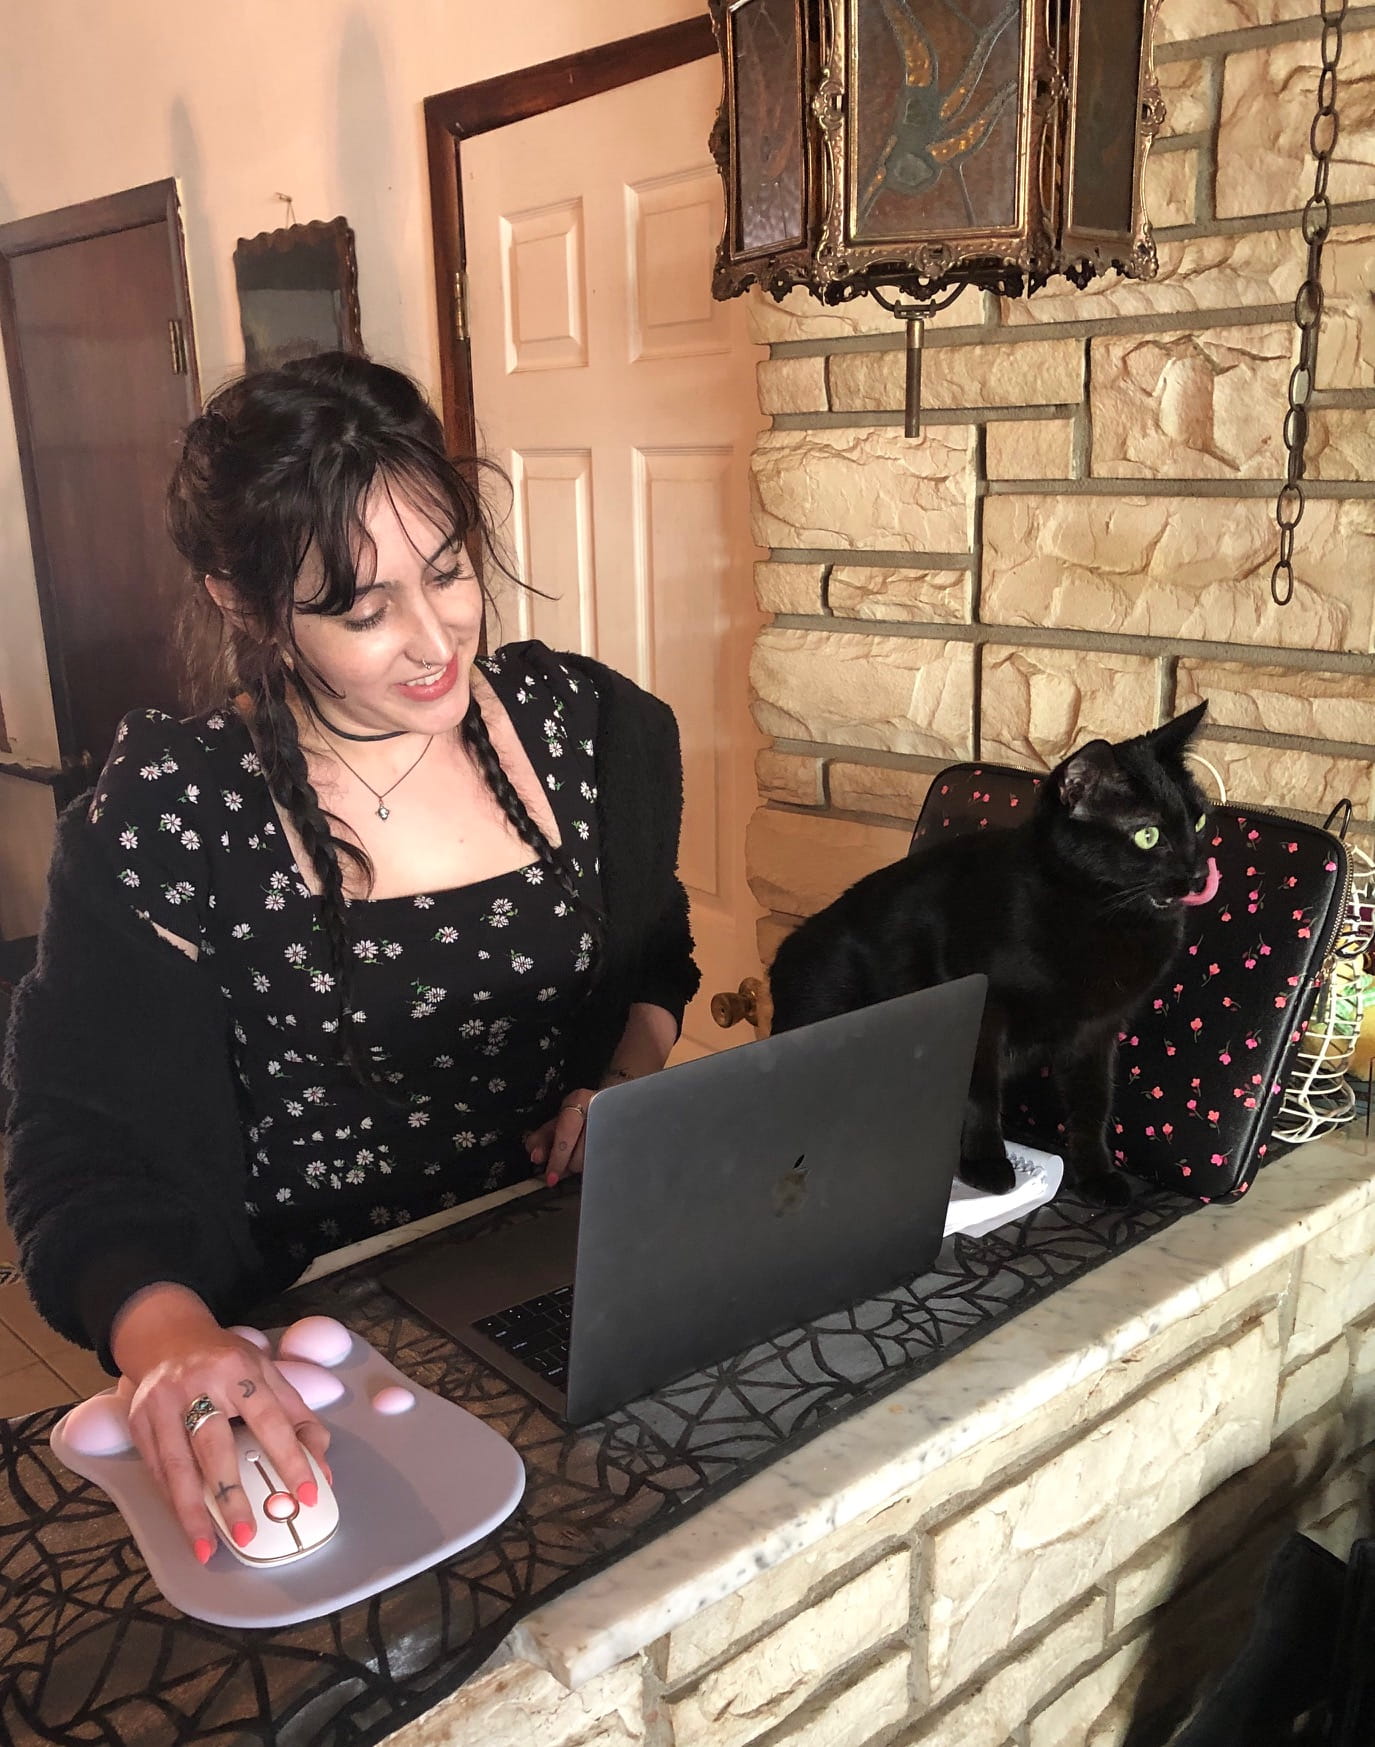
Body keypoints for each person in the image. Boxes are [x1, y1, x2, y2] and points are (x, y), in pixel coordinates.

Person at [3, 351, 698, 1564]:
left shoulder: (592, 730)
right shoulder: (180, 807)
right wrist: (168, 1336)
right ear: (243, 601)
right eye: (363, 609)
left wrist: (629, 1077)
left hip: (576, 1270)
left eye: (448, 572)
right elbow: (78, 1141)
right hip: (320, 1338)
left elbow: (654, 950)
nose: (435, 642)